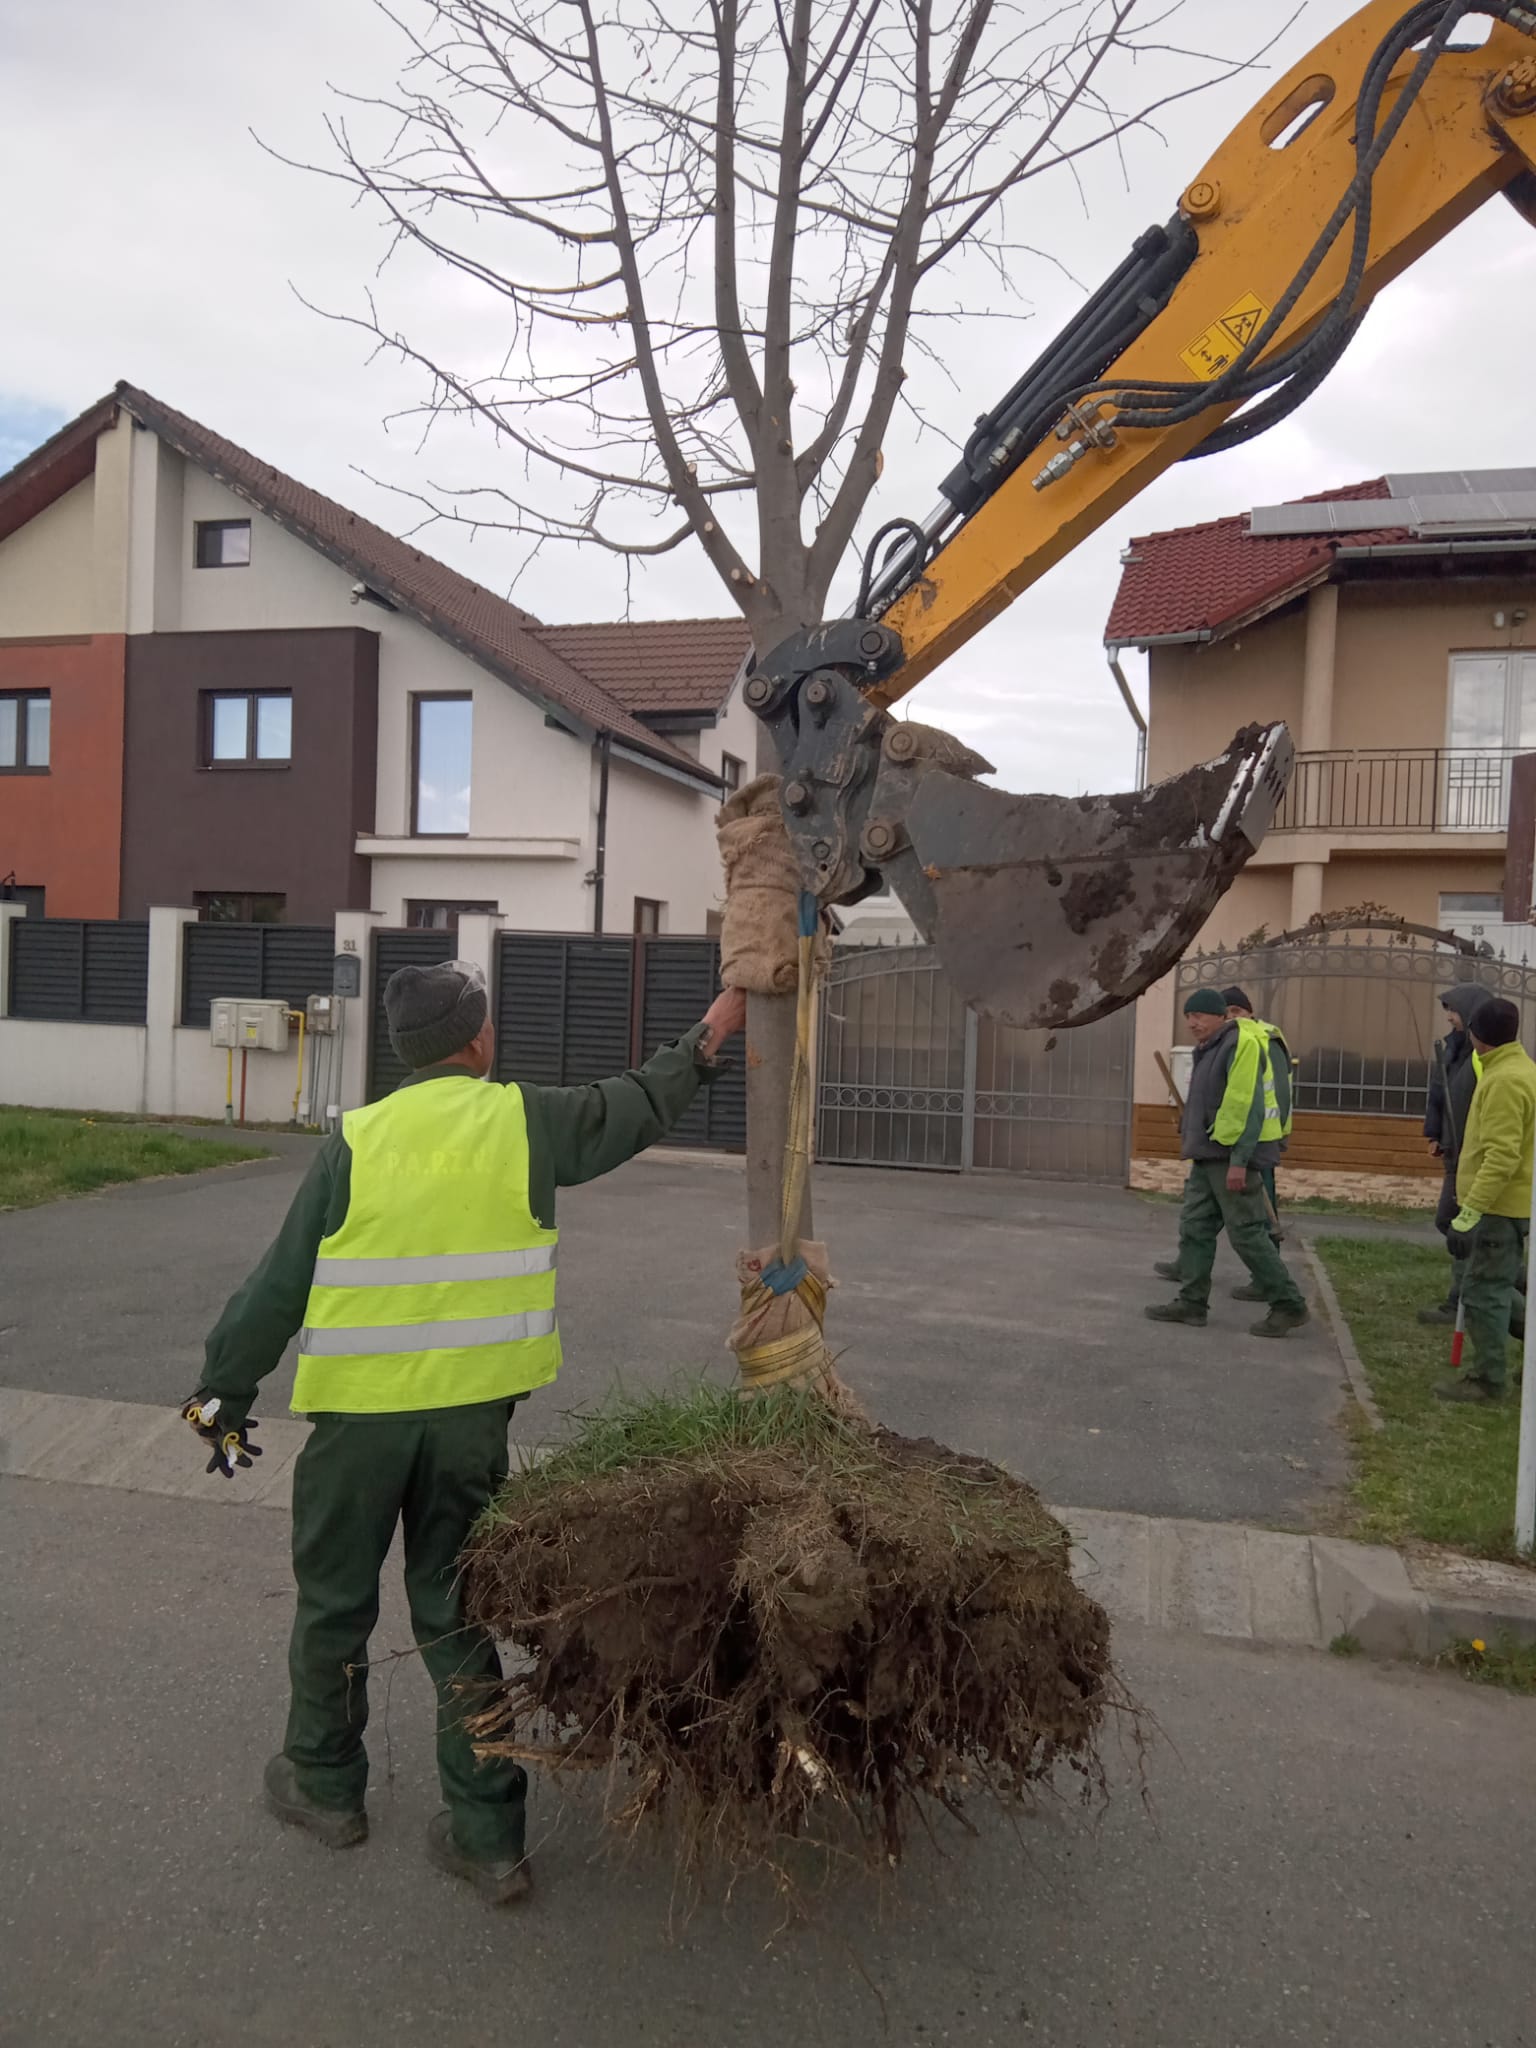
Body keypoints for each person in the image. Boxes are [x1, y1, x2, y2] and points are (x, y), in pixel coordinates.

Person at [182, 958, 748, 1902]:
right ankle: (486, 1833)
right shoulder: (524, 1123)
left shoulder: (356, 1142)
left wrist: (220, 1400)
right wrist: (717, 1024)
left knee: (333, 1606)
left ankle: (324, 1786)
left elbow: (276, 1287)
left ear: (406, 1056)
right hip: (469, 1430)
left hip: (356, 1431)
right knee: (456, 1615)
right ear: (477, 1042)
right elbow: (638, 1103)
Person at [1146, 987, 1309, 1338]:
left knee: (1247, 1234)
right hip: (1208, 1156)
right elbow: (1211, 1102)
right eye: (1188, 1016)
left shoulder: (1241, 1045)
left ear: (1220, 1015)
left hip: (1231, 1157)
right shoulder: (1208, 1049)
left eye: (1199, 1015)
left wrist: (1240, 1161)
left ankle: (1288, 1304)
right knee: (1195, 1227)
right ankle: (1192, 1303)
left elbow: (1246, 1104)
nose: (1192, 1022)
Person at [1438, 995, 1535, 1403]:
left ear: (1477, 1035)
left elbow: (1501, 1155)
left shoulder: (1503, 1081)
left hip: (1497, 1207)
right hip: (1506, 1204)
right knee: (1496, 1288)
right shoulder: (1519, 1068)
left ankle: (1489, 1380)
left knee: (1482, 1293)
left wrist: (1469, 1212)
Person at [1420, 983, 1487, 1325]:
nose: (1449, 1017)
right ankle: (1490, 1275)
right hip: (1453, 1150)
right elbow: (1438, 1094)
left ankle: (1461, 1299)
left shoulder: (1481, 1058)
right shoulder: (1452, 1048)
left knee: (1457, 1225)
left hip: (1472, 1155)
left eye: (1454, 1010)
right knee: (1450, 1222)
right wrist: (1434, 1132)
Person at [1222, 985, 1291, 1245]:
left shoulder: (1265, 1039)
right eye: (1226, 1012)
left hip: (1260, 1137)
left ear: (1250, 1012)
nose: (1232, 1017)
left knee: (1264, 1210)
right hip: (1228, 1137)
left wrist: (1281, 1132)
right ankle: (1189, 1261)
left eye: (1236, 1010)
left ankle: (1271, 1275)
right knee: (1206, 1206)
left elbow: (1280, 1092)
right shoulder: (1225, 1041)